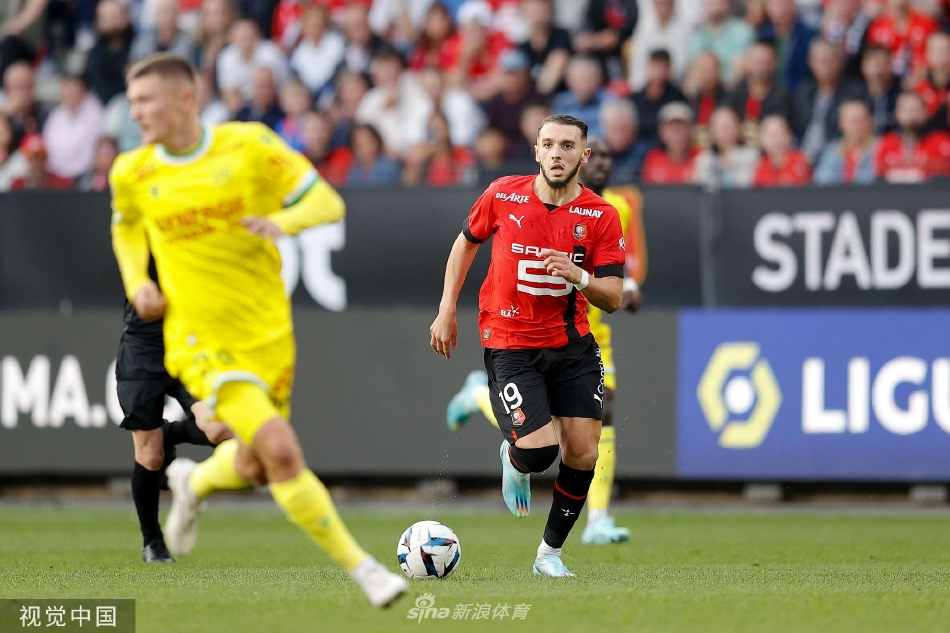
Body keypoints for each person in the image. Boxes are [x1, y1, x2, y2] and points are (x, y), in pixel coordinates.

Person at [110, 53, 408, 606]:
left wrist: (282, 222)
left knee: (252, 463)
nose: (136, 113)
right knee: (281, 449)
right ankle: (367, 571)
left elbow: (326, 201)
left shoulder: (248, 146)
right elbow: (126, 227)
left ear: (185, 100)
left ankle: (194, 481)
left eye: (146, 100)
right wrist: (137, 282)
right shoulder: (132, 171)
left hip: (267, 334)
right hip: (197, 341)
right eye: (132, 103)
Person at [429, 114, 626, 577]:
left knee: (584, 453)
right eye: (548, 144)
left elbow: (614, 297)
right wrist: (446, 308)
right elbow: (466, 243)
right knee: (539, 454)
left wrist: (579, 276)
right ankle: (511, 451)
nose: (557, 154)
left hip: (573, 344)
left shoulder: (601, 214)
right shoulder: (503, 194)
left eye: (567, 146)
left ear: (583, 155)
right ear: (536, 151)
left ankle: (548, 555)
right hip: (511, 343)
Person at [813, 99, 877, 184]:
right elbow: (822, 180)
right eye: (853, 121)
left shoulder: (881, 147)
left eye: (862, 120)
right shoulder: (832, 150)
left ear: (870, 121)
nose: (857, 126)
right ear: (841, 124)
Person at [752, 114, 812, 186]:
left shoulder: (800, 160)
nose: (777, 139)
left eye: (781, 134)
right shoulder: (760, 164)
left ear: (789, 135)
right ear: (762, 138)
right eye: (772, 135)